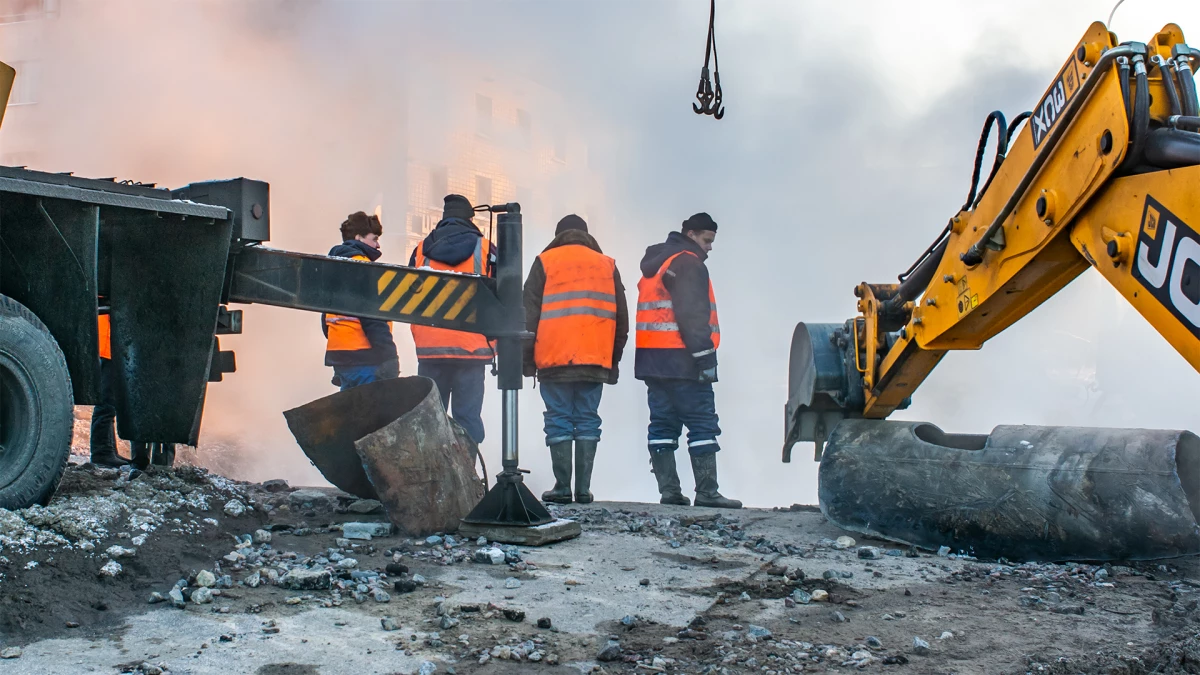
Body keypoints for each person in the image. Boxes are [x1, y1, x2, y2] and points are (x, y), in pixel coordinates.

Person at [635, 213, 741, 508]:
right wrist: (706, 358)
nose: (710, 248)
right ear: (691, 234)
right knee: (702, 425)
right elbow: (692, 316)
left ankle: (669, 492)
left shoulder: (658, 264)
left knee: (661, 427)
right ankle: (707, 492)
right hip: (684, 363)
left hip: (653, 363)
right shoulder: (687, 263)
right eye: (707, 240)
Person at [523, 214, 628, 504]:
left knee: (558, 419)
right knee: (587, 419)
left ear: (558, 235)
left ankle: (561, 488)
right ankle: (583, 490)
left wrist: (526, 361)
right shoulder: (607, 265)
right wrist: (613, 361)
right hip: (595, 360)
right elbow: (621, 319)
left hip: (554, 359)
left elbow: (527, 317)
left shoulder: (545, 262)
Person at [408, 194, 495, 443]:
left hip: (430, 349)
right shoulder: (486, 248)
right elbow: (501, 300)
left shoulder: (421, 249)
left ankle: (434, 478)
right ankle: (465, 476)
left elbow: (406, 297)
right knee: (467, 418)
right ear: (470, 218)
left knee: (431, 418)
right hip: (472, 349)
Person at [322, 211, 399, 390]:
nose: (377, 245)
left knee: (351, 414)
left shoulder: (333, 265)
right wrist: (389, 355)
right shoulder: (362, 265)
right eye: (374, 238)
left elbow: (324, 314)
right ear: (359, 237)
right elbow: (372, 316)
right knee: (372, 415)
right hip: (364, 356)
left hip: (340, 357)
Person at [89, 309, 131, 467]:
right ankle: (101, 452)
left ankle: (109, 450)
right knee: (106, 401)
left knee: (109, 402)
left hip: (108, 344)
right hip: (107, 345)